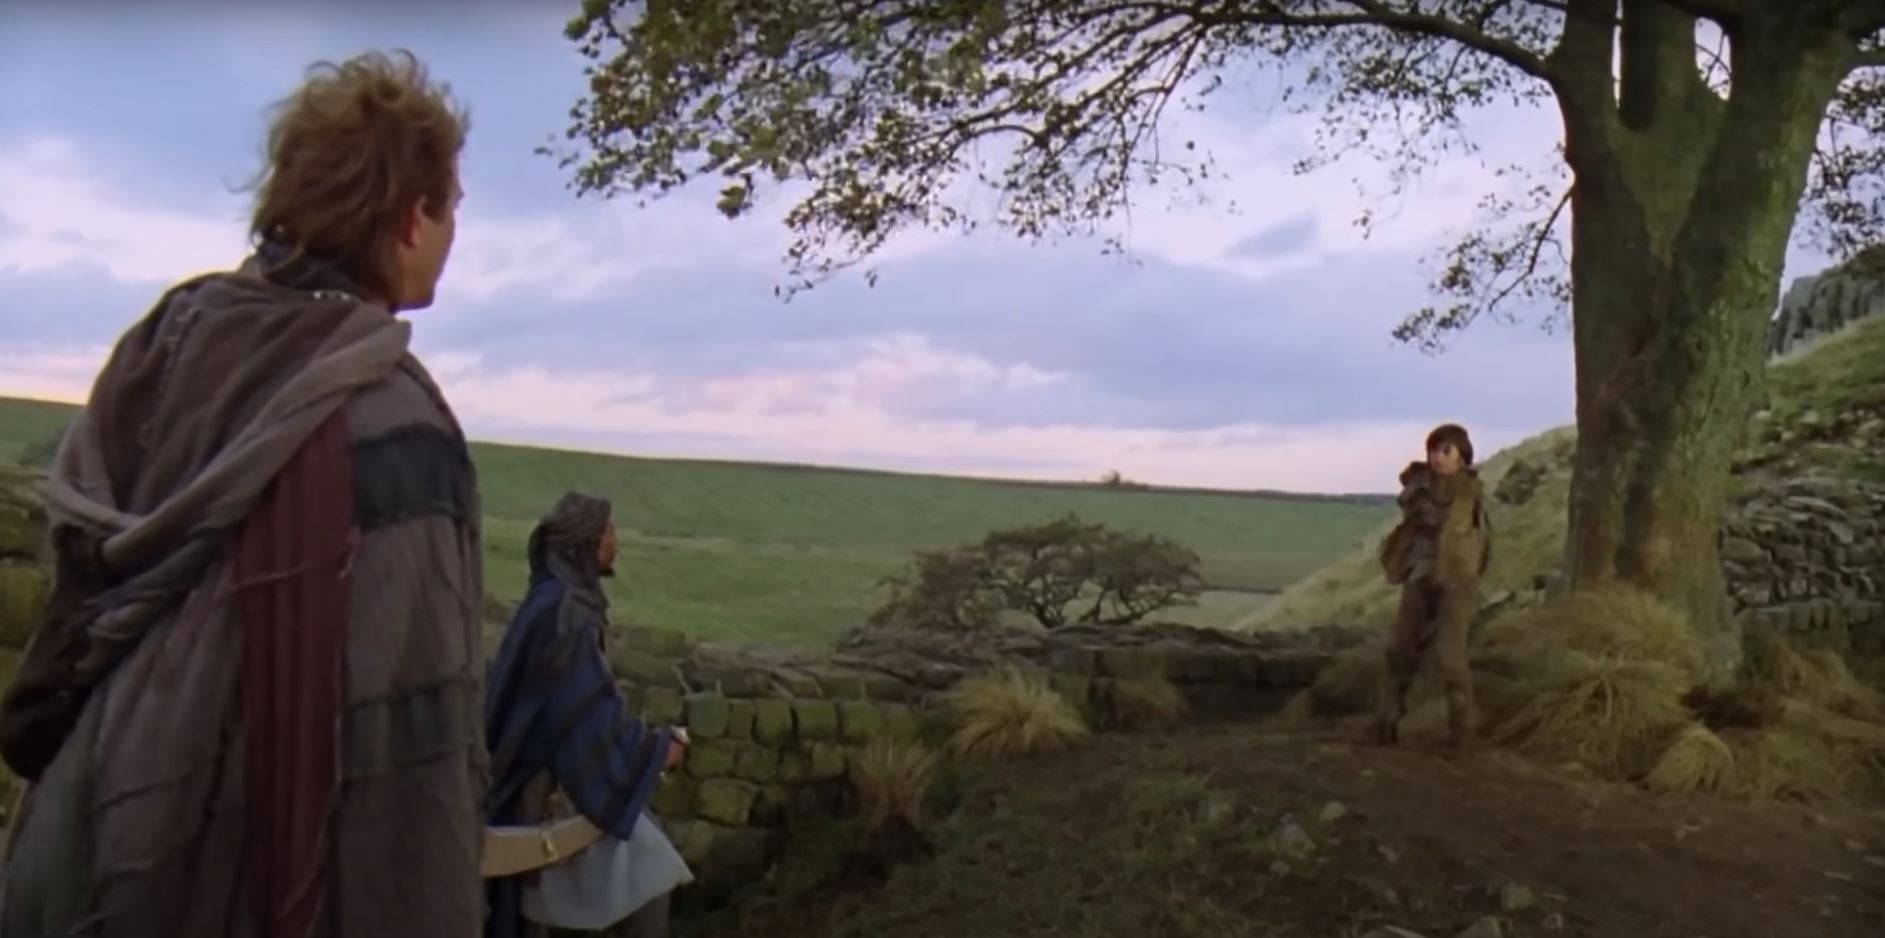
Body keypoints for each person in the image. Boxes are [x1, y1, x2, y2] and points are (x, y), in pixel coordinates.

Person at [0, 50, 487, 938]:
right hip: (242, 884)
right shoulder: (395, 421)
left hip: (75, 852)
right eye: (448, 208)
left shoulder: (160, 351)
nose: (451, 234)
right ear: (411, 217)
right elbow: (410, 762)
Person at [484, 492, 691, 938]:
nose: (615, 540)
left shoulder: (549, 600)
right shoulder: (567, 616)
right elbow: (586, 720)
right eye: (608, 532)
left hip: (523, 780)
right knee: (649, 870)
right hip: (529, 795)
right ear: (587, 543)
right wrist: (657, 749)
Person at [1375, 422, 1492, 748]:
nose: (1438, 457)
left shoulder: (1470, 494)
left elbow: (1481, 542)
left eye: (1446, 451)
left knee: (1450, 656)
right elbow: (1408, 526)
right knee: (1399, 648)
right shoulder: (1419, 488)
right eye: (1433, 450)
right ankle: (1387, 720)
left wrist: (1467, 576)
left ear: (1461, 457)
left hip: (1456, 580)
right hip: (1420, 573)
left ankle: (1462, 731)